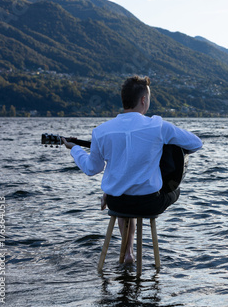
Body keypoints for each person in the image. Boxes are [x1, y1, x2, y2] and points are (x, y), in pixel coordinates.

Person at [63, 76, 202, 263]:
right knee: (174, 191)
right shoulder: (157, 125)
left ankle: (128, 252)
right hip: (149, 203)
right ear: (143, 100)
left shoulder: (101, 131)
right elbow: (195, 143)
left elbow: (91, 168)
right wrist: (166, 149)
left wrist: (75, 149)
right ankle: (130, 252)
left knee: (123, 193)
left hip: (117, 203)